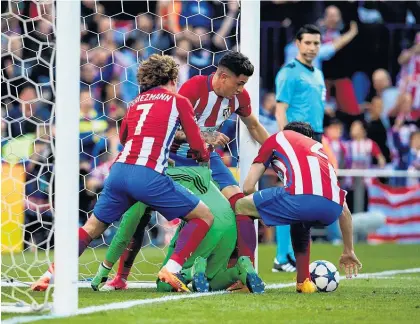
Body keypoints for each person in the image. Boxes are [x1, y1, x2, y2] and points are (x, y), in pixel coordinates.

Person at [31, 54, 213, 293]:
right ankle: (173, 268)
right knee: (203, 216)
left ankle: (50, 274)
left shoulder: (136, 102)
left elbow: (127, 138)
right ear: (172, 78)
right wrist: (203, 155)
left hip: (118, 172)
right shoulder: (178, 100)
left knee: (92, 228)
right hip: (147, 174)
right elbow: (197, 143)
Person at [104, 52, 270, 290]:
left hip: (207, 159)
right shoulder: (193, 89)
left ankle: (242, 271)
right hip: (172, 157)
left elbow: (253, 125)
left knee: (240, 204)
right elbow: (169, 126)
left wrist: (277, 150)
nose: (241, 89)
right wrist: (204, 135)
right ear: (223, 77)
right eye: (239, 83)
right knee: (140, 211)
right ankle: (121, 276)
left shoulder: (239, 97)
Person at [234, 122, 362, 293]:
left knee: (242, 206)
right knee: (301, 220)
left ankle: (245, 277)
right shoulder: (319, 150)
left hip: (299, 199)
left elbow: (248, 187)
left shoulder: (277, 138)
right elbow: (345, 211)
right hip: (332, 207)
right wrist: (348, 250)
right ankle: (304, 282)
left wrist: (264, 210)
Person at [92, 166, 263, 293]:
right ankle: (240, 270)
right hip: (229, 224)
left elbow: (125, 233)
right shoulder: (190, 168)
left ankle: (193, 268)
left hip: (206, 223)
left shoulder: (141, 182)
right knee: (214, 282)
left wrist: (104, 270)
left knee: (164, 284)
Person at [273, 24, 326, 272]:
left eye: (316, 43)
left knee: (304, 197)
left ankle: (290, 256)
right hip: (297, 137)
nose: (312, 47)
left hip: (316, 137)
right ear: (297, 43)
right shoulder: (289, 72)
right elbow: (280, 109)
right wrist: (287, 141)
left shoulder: (317, 73)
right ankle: (281, 258)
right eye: (308, 42)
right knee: (292, 196)